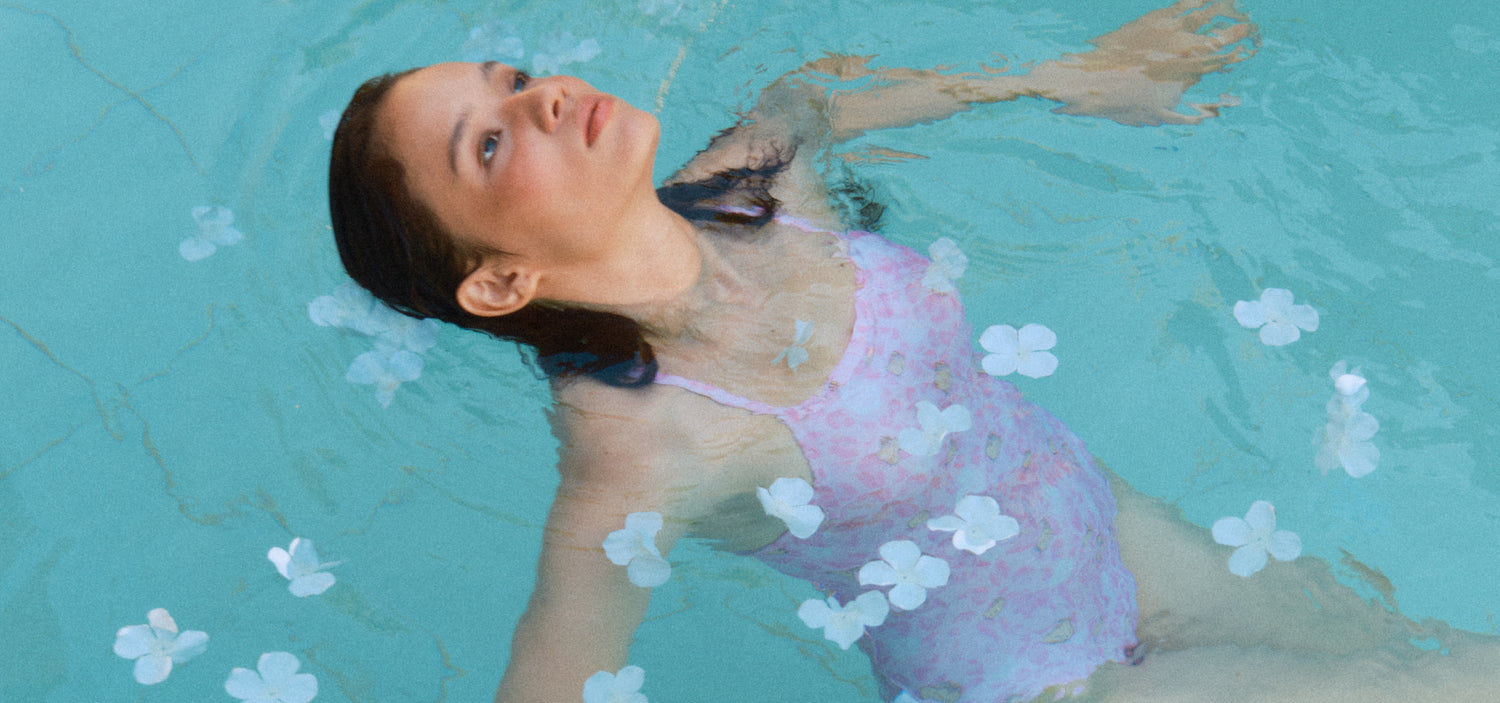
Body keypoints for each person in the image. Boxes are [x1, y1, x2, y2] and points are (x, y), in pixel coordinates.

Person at [327, 1, 1500, 700]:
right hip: (1045, 687)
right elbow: (553, 672)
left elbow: (817, 96)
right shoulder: (639, 443)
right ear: (500, 283)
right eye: (488, 145)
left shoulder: (752, 185)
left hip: (1111, 531)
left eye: (515, 82)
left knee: (1446, 657)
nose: (539, 100)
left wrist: (1073, 79)